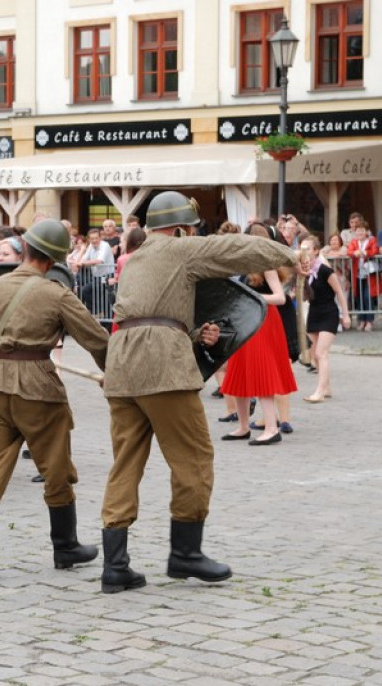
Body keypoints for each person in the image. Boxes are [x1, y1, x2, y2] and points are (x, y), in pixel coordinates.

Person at [99, 191, 298, 594]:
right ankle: (185, 553)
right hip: (163, 368)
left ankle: (115, 566)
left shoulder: (135, 259)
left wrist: (192, 335)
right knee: (193, 457)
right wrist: (288, 253)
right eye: (190, 228)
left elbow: (147, 315)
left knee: (126, 463)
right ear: (181, 228)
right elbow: (238, 247)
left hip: (123, 366)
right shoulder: (181, 249)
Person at [0, 219, 109, 579]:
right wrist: (112, 373)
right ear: (54, 260)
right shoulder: (56, 293)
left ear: (27, 249)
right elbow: (97, 340)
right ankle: (65, 547)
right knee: (56, 469)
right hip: (39, 390)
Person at [220, 224, 298, 446]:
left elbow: (279, 298)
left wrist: (253, 297)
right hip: (248, 320)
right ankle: (243, 426)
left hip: (263, 321)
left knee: (262, 372)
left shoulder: (266, 265)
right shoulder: (248, 265)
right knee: (238, 371)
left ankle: (272, 428)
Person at [301, 235, 352, 403]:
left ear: (316, 251)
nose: (304, 251)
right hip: (314, 312)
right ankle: (327, 387)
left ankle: (320, 392)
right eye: (301, 248)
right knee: (315, 355)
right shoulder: (303, 270)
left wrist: (345, 315)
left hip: (329, 312)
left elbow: (339, 293)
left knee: (321, 353)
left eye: (307, 248)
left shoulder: (325, 270)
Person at [347, 221, 382, 331]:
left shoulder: (372, 240)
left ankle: (369, 321)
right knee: (359, 298)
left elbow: (375, 250)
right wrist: (354, 253)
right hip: (357, 274)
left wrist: (365, 253)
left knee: (368, 297)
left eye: (362, 230)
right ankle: (362, 320)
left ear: (367, 232)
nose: (360, 232)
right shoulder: (354, 241)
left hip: (369, 275)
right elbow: (349, 251)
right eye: (358, 230)